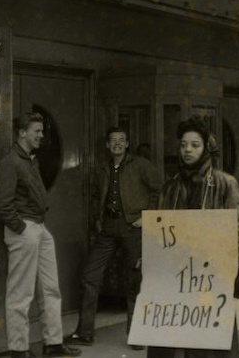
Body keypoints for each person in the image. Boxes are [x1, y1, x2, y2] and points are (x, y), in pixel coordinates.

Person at [147, 116, 239, 358]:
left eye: (194, 144)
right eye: (183, 145)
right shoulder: (170, 186)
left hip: (212, 276)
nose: (187, 150)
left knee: (209, 345)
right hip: (177, 276)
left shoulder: (225, 184)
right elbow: (159, 232)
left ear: (206, 147)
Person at [0, 112, 82, 358]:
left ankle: (53, 344)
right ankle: (18, 350)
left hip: (38, 228)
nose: (41, 136)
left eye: (42, 131)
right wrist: (20, 228)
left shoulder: (30, 160)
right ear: (22, 132)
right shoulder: (11, 162)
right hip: (25, 230)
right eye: (37, 131)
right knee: (21, 295)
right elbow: (1, 204)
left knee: (50, 288)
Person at [67, 127, 164, 349]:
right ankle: (85, 331)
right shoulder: (101, 169)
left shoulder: (140, 165)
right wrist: (97, 220)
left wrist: (147, 216)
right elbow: (93, 197)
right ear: (107, 146)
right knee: (90, 275)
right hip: (108, 228)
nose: (117, 144)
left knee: (134, 280)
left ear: (128, 144)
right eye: (113, 141)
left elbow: (159, 190)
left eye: (122, 140)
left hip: (133, 228)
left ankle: (136, 334)